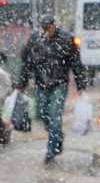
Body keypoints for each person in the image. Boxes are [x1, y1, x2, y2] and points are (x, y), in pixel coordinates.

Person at [17, 15, 86, 163]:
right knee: (41, 114)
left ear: (54, 25)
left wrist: (81, 85)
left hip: (59, 84)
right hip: (41, 84)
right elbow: (27, 63)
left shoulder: (66, 39)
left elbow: (76, 63)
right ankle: (58, 136)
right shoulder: (36, 40)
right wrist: (21, 84)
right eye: (44, 28)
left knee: (55, 117)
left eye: (48, 27)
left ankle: (51, 151)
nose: (46, 31)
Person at [0, 52, 13, 145]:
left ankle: (5, 132)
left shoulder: (2, 73)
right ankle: (5, 130)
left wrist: (4, 95)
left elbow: (8, 85)